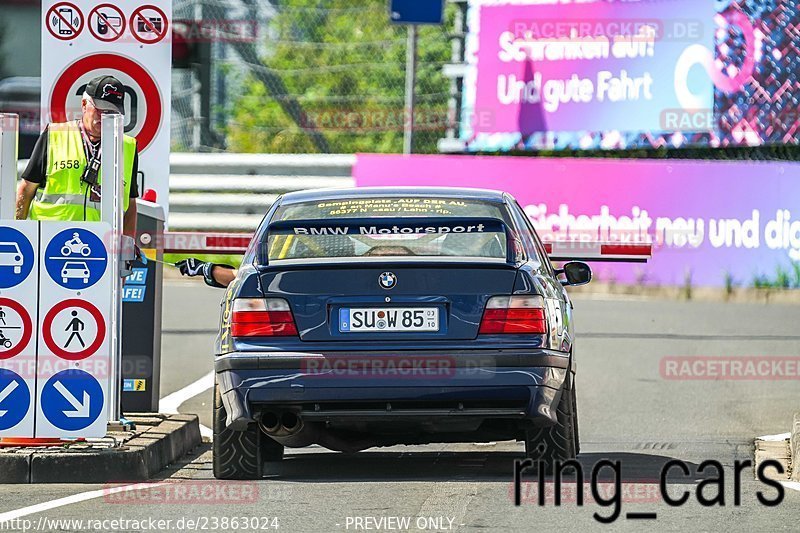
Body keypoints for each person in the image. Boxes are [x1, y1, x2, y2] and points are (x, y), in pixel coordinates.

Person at [15, 75, 139, 236]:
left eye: (111, 112)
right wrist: (18, 236)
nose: (104, 117)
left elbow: (130, 205)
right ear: (84, 105)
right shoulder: (54, 135)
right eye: (100, 109)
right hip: (49, 241)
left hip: (102, 246)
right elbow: (26, 190)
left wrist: (128, 247)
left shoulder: (127, 146)